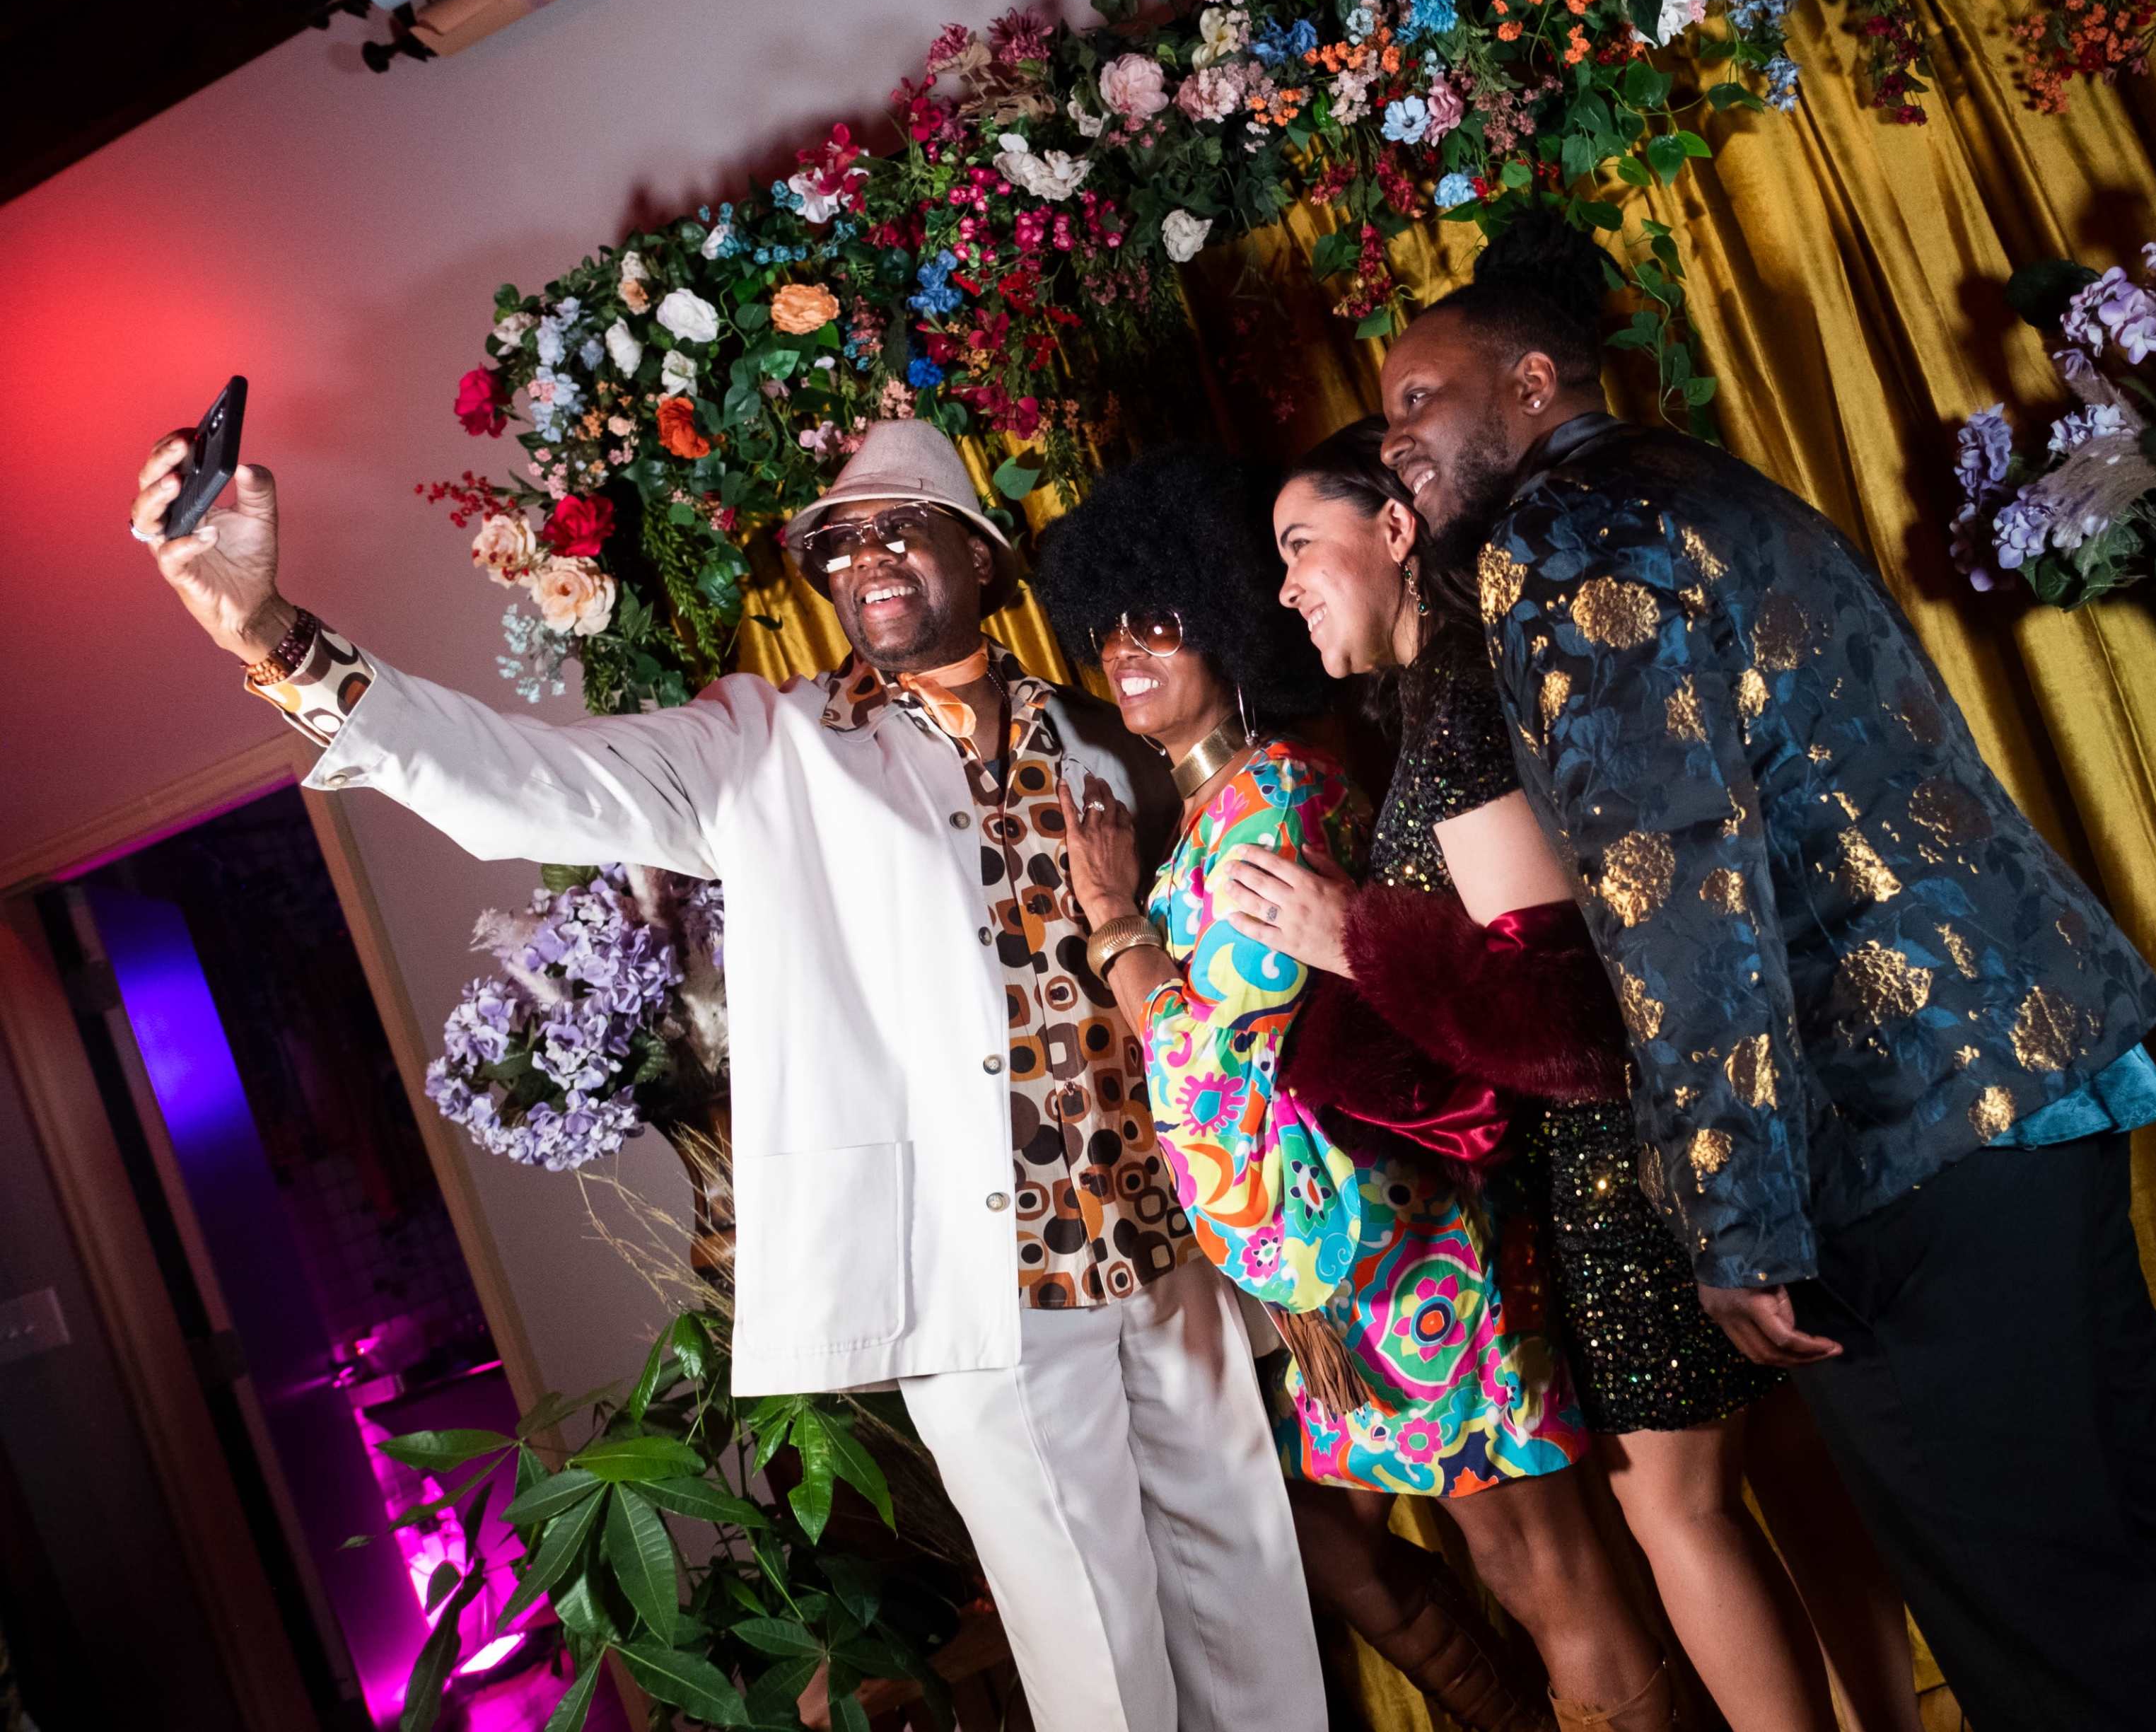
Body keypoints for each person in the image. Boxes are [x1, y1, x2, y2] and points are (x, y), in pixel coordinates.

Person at [124, 422, 1325, 1732]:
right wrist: (278, 637)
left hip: (1171, 1250)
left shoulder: (1108, 739)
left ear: (983, 560)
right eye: (838, 543)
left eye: (897, 528)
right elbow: (523, 783)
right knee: (1098, 1665)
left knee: (1254, 1604)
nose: (863, 559)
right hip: (992, 1281)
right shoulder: (767, 747)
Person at [1367, 213, 2156, 1732]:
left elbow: (1673, 884)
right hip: (2039, 1065)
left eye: (1419, 400)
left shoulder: (1562, 540)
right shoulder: (1699, 482)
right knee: (2147, 1523)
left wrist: (1738, 1214)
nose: (1392, 437)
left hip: (1900, 1131)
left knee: (2042, 1614)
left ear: (1533, 377)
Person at [1224, 417, 1920, 1732]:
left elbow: (1555, 1007)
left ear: (1395, 530)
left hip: (1620, 1171)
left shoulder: (1462, 706)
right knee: (1786, 1465)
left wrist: (1342, 935)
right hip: (1683, 1141)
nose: (1285, 585)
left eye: (1301, 544)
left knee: (1677, 1507)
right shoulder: (1452, 698)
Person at [1039, 447, 1666, 1732]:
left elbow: (1219, 1057)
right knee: (1349, 1533)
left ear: (1223, 623)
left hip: (1399, 1244)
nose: (1127, 651)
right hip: (1345, 1273)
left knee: (1543, 1564)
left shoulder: (1278, 789)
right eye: (1105, 630)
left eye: (1158, 617)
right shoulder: (1206, 825)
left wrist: (1110, 924)